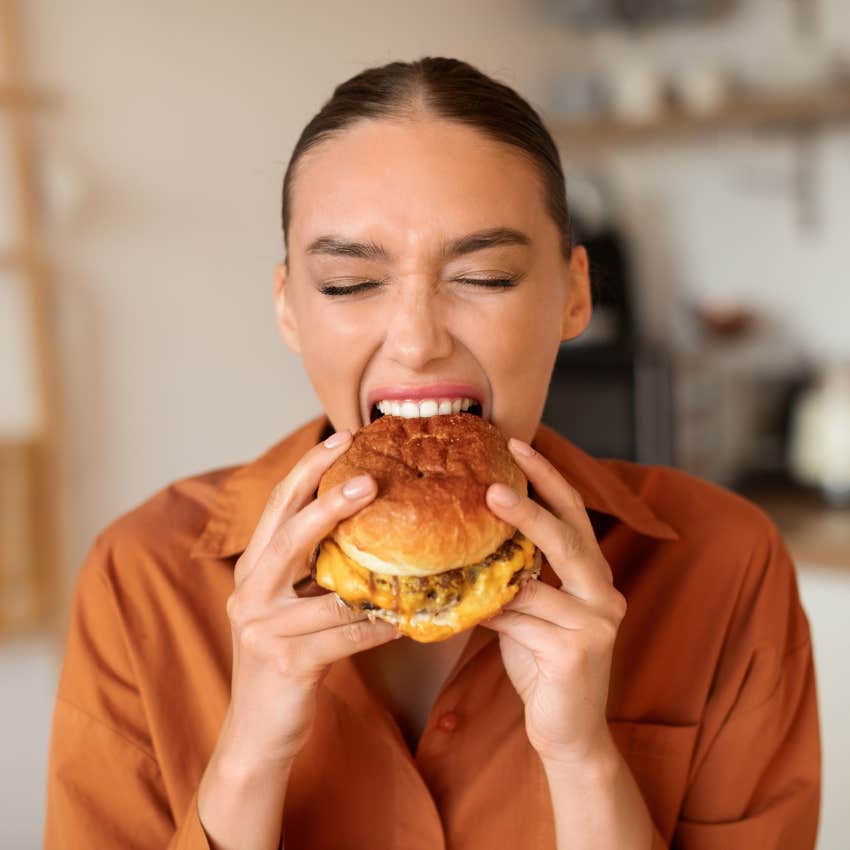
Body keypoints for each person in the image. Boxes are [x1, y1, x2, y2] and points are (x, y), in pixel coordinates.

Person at [44, 57, 820, 850]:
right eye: (349, 283)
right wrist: (248, 762)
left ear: (575, 294)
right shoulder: (142, 578)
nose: (417, 341)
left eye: (485, 276)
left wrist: (585, 763)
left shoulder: (724, 564)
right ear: (289, 308)